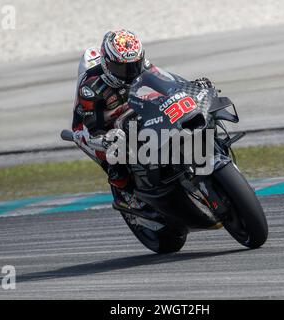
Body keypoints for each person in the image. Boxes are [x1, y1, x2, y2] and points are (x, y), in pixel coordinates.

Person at [71, 29, 213, 209]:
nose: (130, 72)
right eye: (122, 67)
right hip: (90, 126)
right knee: (115, 149)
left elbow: (167, 82)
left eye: (134, 65)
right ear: (107, 64)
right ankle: (125, 194)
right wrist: (104, 137)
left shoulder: (142, 64)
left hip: (127, 107)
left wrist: (190, 86)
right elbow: (94, 125)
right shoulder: (91, 87)